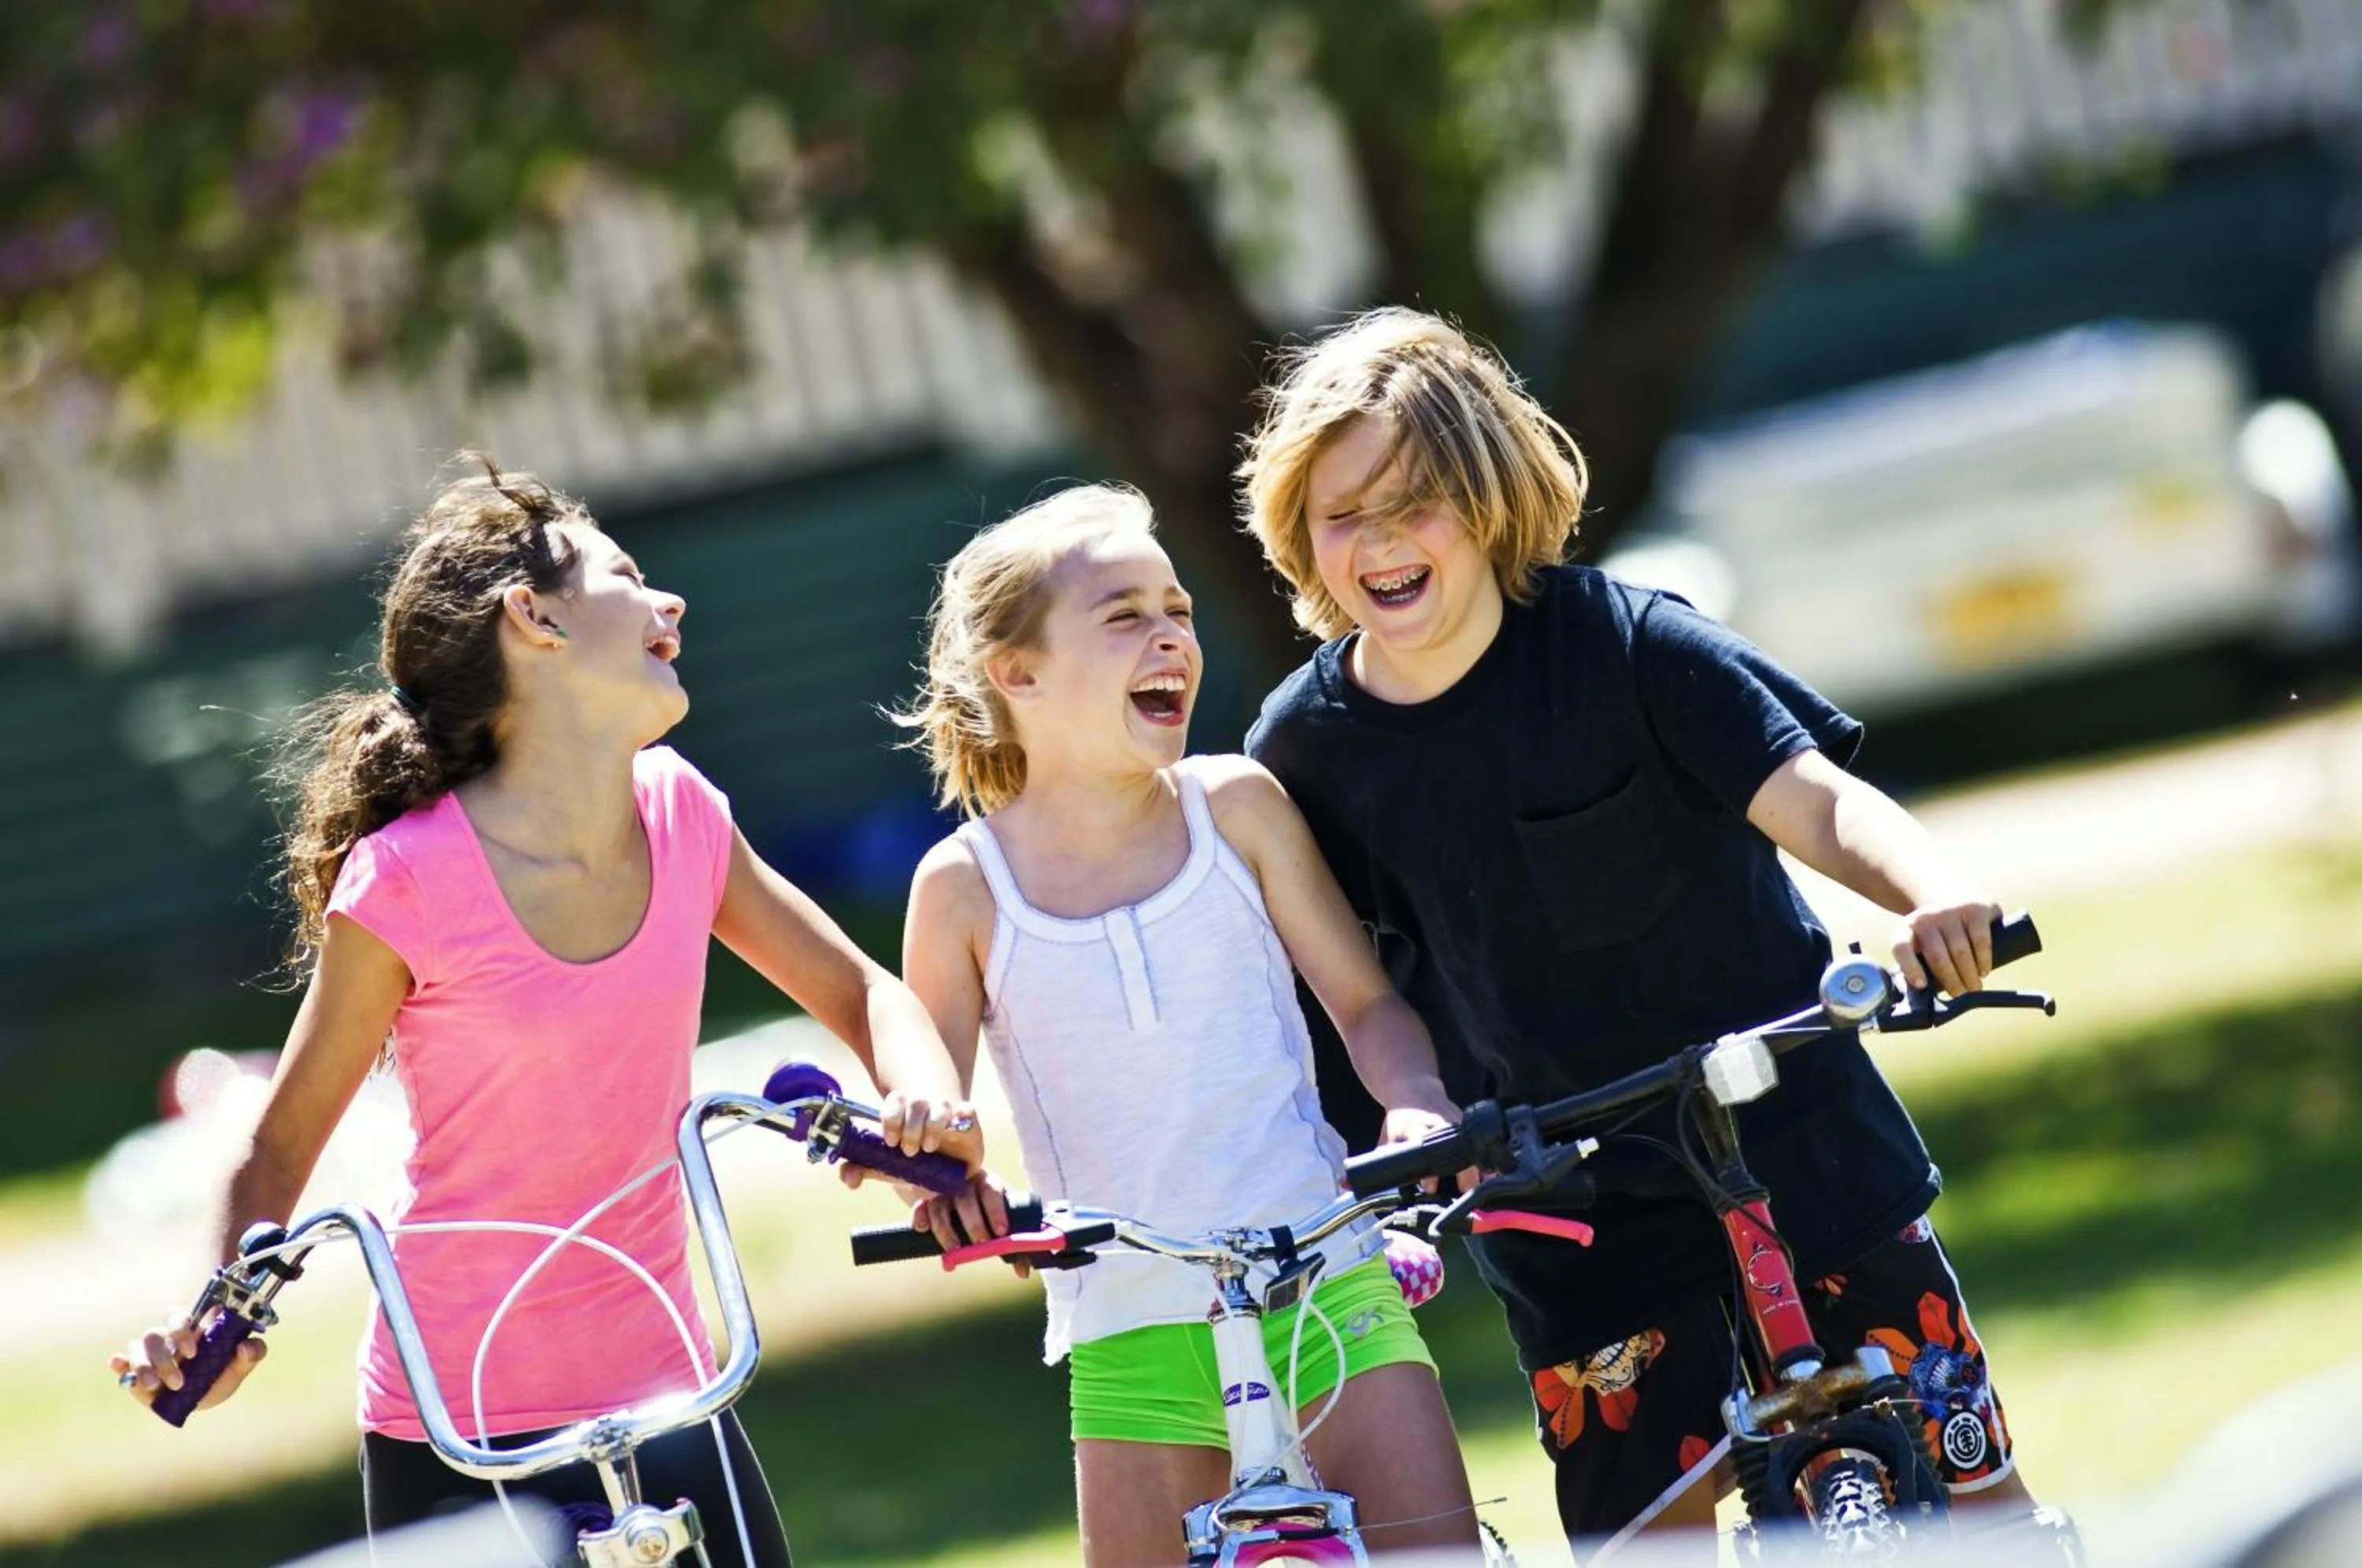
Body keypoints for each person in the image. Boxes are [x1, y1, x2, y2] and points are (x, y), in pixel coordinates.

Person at [1238, 309, 2077, 1560]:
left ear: (1487, 496)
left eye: (1413, 500)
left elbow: (1819, 800)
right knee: (1644, 1541)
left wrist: (1931, 894)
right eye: (1339, 513)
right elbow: (1355, 999)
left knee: (1979, 1499)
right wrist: (1416, 1123)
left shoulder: (1625, 643)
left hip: (1801, 1133)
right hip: (1566, 1208)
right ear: (1300, 536)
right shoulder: (1303, 753)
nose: (1377, 541)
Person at [112, 458, 979, 1568]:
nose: (672, 603)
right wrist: (218, 1320)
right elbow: (276, 1151)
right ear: (535, 619)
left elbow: (864, 992)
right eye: (628, 575)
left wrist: (931, 1111)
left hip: (675, 1385)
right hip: (454, 1423)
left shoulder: (683, 814)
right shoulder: (405, 882)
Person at [887, 482, 1485, 1566]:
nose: (1170, 635)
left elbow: (1365, 1003)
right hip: (1129, 1329)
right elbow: (928, 1122)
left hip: (1326, 1283)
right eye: (1124, 616)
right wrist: (944, 1187)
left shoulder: (1238, 806)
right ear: (1016, 674)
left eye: (1178, 612)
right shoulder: (964, 888)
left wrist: (1413, 1102)